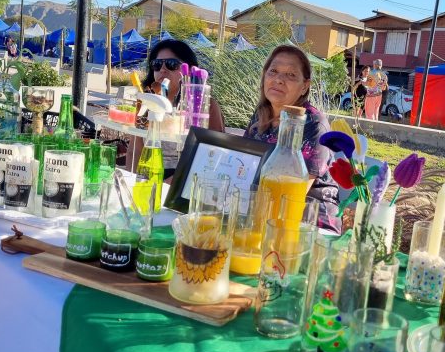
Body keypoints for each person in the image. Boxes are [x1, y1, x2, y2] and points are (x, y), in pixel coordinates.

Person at [245, 44, 341, 233]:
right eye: (273, 71)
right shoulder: (260, 116)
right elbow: (247, 165)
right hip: (264, 213)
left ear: (305, 86)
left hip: (311, 222)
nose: (279, 79)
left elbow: (296, 191)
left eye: (291, 75)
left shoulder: (314, 124)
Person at [130, 39, 225, 173]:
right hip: (148, 177)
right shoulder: (147, 102)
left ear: (189, 70)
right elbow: (135, 151)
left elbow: (213, 156)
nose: (162, 69)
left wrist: (171, 183)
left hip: (184, 182)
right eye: (157, 64)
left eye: (171, 64)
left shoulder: (205, 106)